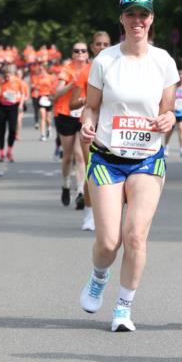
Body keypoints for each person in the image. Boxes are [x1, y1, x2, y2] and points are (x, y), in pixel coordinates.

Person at [79, 0, 178, 332]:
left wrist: (169, 120)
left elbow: (167, 111)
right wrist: (89, 122)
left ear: (152, 20)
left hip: (147, 159)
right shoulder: (105, 60)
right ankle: (99, 275)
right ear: (121, 19)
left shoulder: (164, 61)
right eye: (131, 14)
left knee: (135, 235)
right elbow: (92, 105)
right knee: (109, 242)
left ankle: (123, 308)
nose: (138, 21)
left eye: (144, 15)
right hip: (107, 158)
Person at [70, 31, 112, 230]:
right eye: (98, 44)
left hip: (113, 128)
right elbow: (71, 103)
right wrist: (86, 101)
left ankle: (108, 214)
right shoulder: (86, 71)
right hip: (90, 126)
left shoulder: (117, 66)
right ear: (92, 47)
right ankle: (89, 213)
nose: (102, 48)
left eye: (106, 44)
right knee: (92, 170)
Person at [53, 42, 90, 207]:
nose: (80, 53)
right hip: (65, 114)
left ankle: (81, 192)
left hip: (83, 115)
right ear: (72, 54)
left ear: (87, 54)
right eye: (76, 51)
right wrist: (72, 83)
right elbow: (56, 93)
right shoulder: (66, 70)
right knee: (68, 157)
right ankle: (66, 184)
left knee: (80, 156)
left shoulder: (92, 69)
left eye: (83, 51)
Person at [0, 64, 23, 162]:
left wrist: (21, 104)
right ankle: (1, 153)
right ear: (2, 75)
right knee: (2, 131)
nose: (7, 77)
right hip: (1, 107)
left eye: (8, 75)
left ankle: (9, 151)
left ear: (12, 74)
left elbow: (22, 94)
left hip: (13, 107)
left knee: (12, 130)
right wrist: (1, 85)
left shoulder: (17, 81)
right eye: (5, 75)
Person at [165, 69, 182, 158]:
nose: (181, 80)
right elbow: (168, 99)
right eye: (179, 78)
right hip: (172, 113)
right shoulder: (173, 88)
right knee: (169, 131)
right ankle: (166, 147)